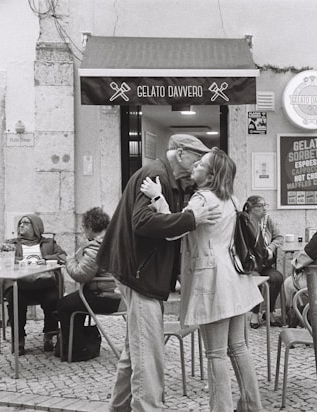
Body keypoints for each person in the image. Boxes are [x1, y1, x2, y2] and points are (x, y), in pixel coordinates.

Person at [96, 134, 222, 412]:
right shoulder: (156, 175)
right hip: (139, 274)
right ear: (179, 152)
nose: (198, 163)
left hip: (143, 273)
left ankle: (118, 408)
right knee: (149, 353)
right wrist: (191, 219)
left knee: (136, 348)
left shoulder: (171, 181)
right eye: (195, 156)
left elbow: (164, 225)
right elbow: (143, 222)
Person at [141, 147, 264, 412]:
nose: (195, 164)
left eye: (201, 163)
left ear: (211, 174)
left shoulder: (202, 199)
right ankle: (252, 407)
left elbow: (174, 231)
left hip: (212, 280)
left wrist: (157, 197)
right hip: (234, 277)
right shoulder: (231, 198)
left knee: (216, 353)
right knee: (239, 348)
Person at [0, 214, 67, 355]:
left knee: (53, 298)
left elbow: (63, 256)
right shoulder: (12, 243)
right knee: (15, 299)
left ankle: (49, 334)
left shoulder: (49, 243)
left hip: (44, 284)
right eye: (20, 223)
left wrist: (44, 259)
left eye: (26, 223)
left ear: (36, 227)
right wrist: (20, 261)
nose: (21, 225)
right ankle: (19, 338)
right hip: (20, 285)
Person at [56, 207, 121, 361]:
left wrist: (69, 260)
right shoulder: (114, 240)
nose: (83, 231)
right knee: (73, 302)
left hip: (105, 297)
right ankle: (77, 344)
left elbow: (81, 275)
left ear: (91, 227)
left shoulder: (98, 246)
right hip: (118, 295)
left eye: (84, 227)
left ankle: (76, 350)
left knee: (63, 305)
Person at [243, 195, 284, 328]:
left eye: (265, 206)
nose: (264, 209)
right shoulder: (243, 222)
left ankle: (269, 311)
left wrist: (270, 248)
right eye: (260, 206)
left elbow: (279, 237)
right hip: (250, 265)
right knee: (257, 280)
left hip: (265, 262)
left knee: (277, 278)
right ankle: (255, 314)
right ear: (251, 208)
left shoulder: (267, 220)